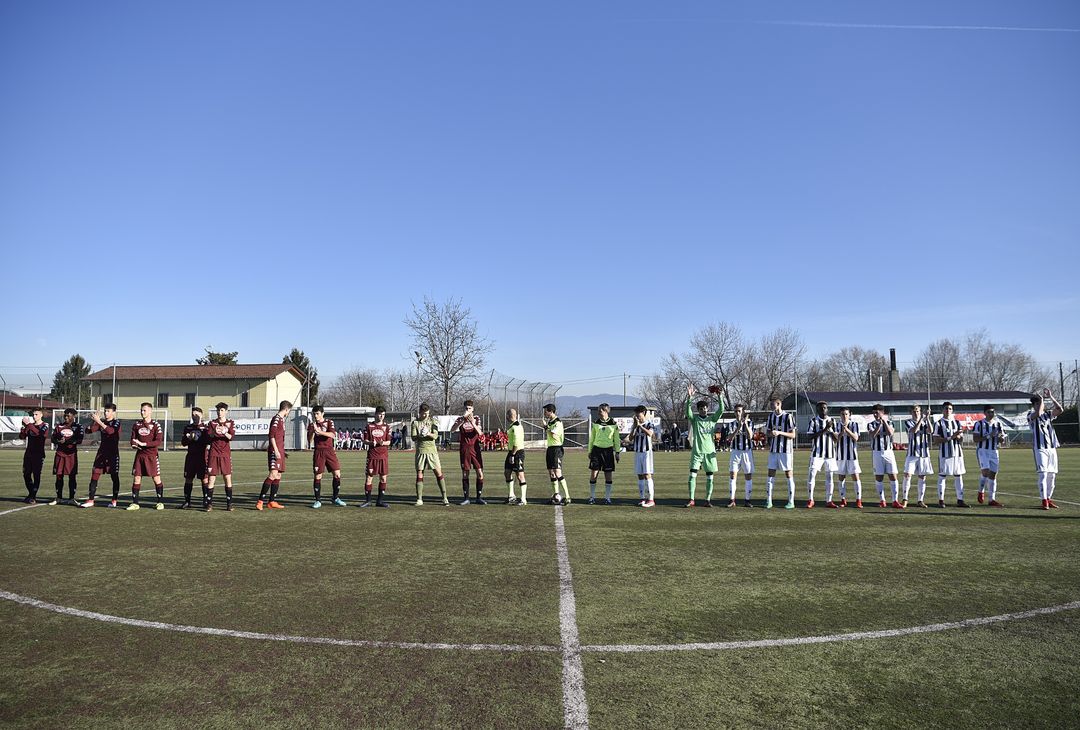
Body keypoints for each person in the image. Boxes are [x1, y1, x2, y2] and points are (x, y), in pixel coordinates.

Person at [1028, 389, 1062, 510]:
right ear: (1034, 405)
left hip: (1051, 448)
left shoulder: (1047, 415)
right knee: (1043, 474)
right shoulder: (1031, 415)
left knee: (1052, 476)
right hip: (1040, 448)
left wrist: (1051, 397)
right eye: (1037, 403)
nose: (1040, 405)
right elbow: (1037, 413)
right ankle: (1043, 500)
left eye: (1040, 403)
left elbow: (1060, 410)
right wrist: (1041, 400)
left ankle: (1048, 498)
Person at [129, 401, 166, 510]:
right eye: (141, 410)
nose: (142, 412)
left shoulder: (156, 425)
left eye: (144, 410)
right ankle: (135, 503)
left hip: (152, 456)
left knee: (156, 478)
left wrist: (144, 444)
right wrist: (134, 444)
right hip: (140, 456)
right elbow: (132, 439)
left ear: (150, 411)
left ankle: (160, 502)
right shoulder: (136, 424)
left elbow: (158, 441)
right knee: (136, 478)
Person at [83, 403, 121, 508]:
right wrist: (94, 420)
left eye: (108, 411)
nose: (106, 413)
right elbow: (88, 431)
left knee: (114, 476)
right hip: (101, 453)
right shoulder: (102, 422)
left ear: (114, 412)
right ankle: (91, 500)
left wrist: (99, 421)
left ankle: (114, 500)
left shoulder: (116, 422)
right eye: (105, 411)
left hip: (112, 454)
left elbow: (111, 431)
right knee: (95, 474)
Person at [308, 404, 346, 508]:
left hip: (329, 451)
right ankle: (318, 500)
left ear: (322, 413)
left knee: (337, 474)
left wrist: (320, 431)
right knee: (318, 475)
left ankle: (335, 497)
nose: (316, 416)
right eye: (314, 414)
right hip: (318, 451)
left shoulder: (329, 422)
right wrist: (312, 431)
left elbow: (332, 435)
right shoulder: (312, 425)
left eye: (317, 414)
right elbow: (309, 440)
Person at [257, 400, 292, 511]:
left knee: (278, 476)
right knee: (272, 474)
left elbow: (279, 438)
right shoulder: (276, 419)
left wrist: (282, 451)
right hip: (274, 451)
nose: (288, 413)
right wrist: (276, 450)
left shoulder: (281, 420)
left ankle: (272, 501)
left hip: (280, 451)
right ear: (286, 409)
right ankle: (260, 501)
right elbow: (271, 436)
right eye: (289, 410)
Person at [933, 401, 969, 508]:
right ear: (942, 410)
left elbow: (961, 438)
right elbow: (936, 440)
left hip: (957, 453)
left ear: (952, 410)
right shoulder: (938, 423)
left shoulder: (957, 422)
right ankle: (941, 500)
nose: (948, 410)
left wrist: (959, 437)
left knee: (958, 476)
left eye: (950, 409)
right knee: (942, 476)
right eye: (946, 409)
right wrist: (951, 437)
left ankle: (960, 500)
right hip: (945, 454)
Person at [412, 403, 449, 506]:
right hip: (421, 451)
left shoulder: (433, 421)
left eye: (427, 413)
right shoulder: (415, 423)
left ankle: (444, 497)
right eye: (424, 414)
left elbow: (436, 436)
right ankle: (419, 499)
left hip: (432, 451)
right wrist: (420, 434)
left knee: (438, 473)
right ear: (420, 413)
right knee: (420, 473)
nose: (426, 415)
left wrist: (428, 433)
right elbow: (413, 437)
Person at [452, 399, 486, 505]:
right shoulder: (460, 419)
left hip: (475, 449)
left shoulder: (476, 418)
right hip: (464, 449)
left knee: (480, 473)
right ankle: (466, 498)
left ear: (473, 409)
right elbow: (452, 430)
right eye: (466, 408)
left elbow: (480, 433)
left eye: (470, 408)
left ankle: (478, 497)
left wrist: (472, 423)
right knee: (465, 473)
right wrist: (462, 420)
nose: (468, 410)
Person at [765, 395, 797, 510]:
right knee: (770, 474)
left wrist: (780, 433)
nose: (771, 405)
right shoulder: (771, 416)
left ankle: (791, 501)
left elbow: (793, 435)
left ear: (778, 404)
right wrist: (771, 434)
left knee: (788, 475)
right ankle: (768, 501)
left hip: (786, 451)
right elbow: (768, 432)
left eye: (772, 403)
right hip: (774, 450)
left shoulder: (788, 416)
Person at [805, 401, 838, 509]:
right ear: (817, 410)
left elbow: (837, 438)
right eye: (820, 408)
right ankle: (811, 499)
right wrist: (824, 430)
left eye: (824, 408)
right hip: (817, 453)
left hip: (830, 454)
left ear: (827, 409)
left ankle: (829, 500)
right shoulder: (813, 421)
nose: (823, 410)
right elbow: (810, 437)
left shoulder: (833, 421)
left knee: (830, 476)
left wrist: (830, 430)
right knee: (812, 475)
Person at [901, 404, 935, 508]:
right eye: (915, 411)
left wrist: (928, 418)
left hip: (923, 454)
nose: (917, 413)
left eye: (918, 411)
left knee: (922, 477)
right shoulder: (908, 422)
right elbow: (914, 430)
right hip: (912, 453)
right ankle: (905, 499)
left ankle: (920, 500)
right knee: (907, 475)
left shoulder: (925, 422)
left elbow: (931, 431)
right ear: (911, 412)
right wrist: (921, 419)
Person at [204, 402, 235, 511]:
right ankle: (209, 504)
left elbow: (231, 437)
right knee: (211, 478)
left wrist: (224, 432)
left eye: (222, 410)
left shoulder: (230, 423)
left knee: (227, 478)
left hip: (225, 454)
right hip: (213, 453)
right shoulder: (212, 423)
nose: (219, 412)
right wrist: (216, 431)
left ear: (226, 411)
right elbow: (209, 436)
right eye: (218, 410)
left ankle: (229, 504)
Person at [972, 405, 1006, 507]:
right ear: (985, 413)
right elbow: (975, 439)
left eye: (993, 412)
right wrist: (989, 435)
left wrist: (1001, 438)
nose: (991, 414)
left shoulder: (998, 424)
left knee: (993, 474)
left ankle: (992, 499)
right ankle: (981, 491)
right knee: (985, 471)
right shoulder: (979, 424)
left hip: (994, 451)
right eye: (989, 412)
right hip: (983, 450)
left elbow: (1002, 439)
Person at [587, 403, 620, 505]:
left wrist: (617, 452)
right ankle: (592, 497)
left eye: (600, 410)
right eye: (598, 410)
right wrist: (589, 451)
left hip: (608, 452)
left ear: (606, 411)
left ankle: (607, 498)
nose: (598, 412)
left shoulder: (613, 424)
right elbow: (592, 438)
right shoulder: (596, 423)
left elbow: (616, 439)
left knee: (608, 475)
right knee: (594, 474)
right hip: (596, 451)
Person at [867, 404, 899, 508]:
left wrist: (884, 422)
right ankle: (882, 500)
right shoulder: (871, 424)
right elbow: (872, 435)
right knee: (879, 477)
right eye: (874, 413)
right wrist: (879, 425)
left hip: (888, 452)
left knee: (893, 475)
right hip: (877, 452)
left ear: (882, 413)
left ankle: (895, 500)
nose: (876, 415)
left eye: (878, 412)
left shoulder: (890, 422)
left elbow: (890, 433)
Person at [50, 407, 84, 505]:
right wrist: (58, 441)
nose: (66, 417)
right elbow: (53, 438)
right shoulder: (59, 426)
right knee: (59, 476)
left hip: (71, 454)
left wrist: (67, 441)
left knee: (72, 476)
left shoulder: (78, 426)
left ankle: (71, 498)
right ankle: (59, 498)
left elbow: (79, 440)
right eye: (65, 415)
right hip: (60, 454)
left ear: (73, 416)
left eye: (68, 415)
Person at [624, 405, 655, 507]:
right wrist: (634, 426)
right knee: (640, 475)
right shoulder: (636, 425)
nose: (637, 416)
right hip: (637, 452)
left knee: (647, 474)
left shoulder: (649, 424)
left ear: (644, 413)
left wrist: (640, 426)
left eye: (639, 414)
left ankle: (651, 499)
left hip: (646, 452)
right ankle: (642, 498)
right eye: (636, 414)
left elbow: (650, 434)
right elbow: (631, 438)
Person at [180, 406, 209, 510]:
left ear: (201, 415)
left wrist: (197, 438)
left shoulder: (206, 428)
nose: (194, 417)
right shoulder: (188, 427)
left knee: (204, 479)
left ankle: (206, 501)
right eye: (192, 415)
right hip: (191, 457)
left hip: (202, 457)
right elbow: (183, 443)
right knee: (188, 479)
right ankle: (187, 502)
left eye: (196, 415)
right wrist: (189, 438)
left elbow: (208, 441)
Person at [362, 406, 392, 507]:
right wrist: (371, 442)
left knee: (383, 479)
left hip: (383, 456)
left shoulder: (386, 427)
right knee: (369, 478)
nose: (381, 416)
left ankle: (380, 501)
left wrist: (383, 442)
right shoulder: (369, 426)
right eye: (379, 414)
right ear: (375, 414)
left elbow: (389, 441)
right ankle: (368, 501)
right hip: (372, 456)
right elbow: (364, 440)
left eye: (383, 414)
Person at [19, 408, 50, 503]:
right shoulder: (30, 425)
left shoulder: (45, 425)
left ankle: (33, 496)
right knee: (26, 474)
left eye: (36, 414)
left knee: (36, 475)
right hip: (28, 454)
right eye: (33, 414)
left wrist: (29, 425)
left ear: (41, 415)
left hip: (38, 454)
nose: (34, 416)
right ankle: (31, 493)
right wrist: (23, 428)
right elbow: (22, 437)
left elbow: (39, 434)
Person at [727, 404, 755, 507]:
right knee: (733, 474)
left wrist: (745, 425)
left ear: (742, 412)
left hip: (747, 452)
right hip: (735, 452)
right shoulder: (731, 424)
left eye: (739, 411)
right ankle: (732, 499)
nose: (737, 413)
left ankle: (747, 500)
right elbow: (730, 438)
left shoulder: (750, 423)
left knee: (748, 476)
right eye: (735, 411)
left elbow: (750, 436)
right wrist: (738, 427)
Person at [834, 408, 863, 508]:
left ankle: (858, 500)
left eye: (846, 414)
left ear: (850, 415)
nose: (844, 416)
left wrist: (847, 430)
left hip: (852, 456)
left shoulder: (854, 425)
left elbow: (856, 438)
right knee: (841, 477)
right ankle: (843, 499)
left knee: (855, 477)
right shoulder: (836, 425)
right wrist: (842, 432)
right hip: (840, 456)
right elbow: (835, 439)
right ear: (840, 415)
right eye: (842, 414)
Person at [543, 403, 570, 504]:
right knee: (551, 473)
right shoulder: (550, 422)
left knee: (558, 472)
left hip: (557, 449)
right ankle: (556, 495)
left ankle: (567, 496)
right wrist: (547, 427)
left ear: (551, 411)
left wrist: (546, 428)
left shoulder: (558, 422)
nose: (544, 413)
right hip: (550, 449)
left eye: (546, 411)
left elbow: (554, 435)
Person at [504, 408, 528, 504]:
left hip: (517, 453)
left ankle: (523, 499)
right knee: (507, 472)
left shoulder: (516, 426)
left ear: (508, 416)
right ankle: (511, 496)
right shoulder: (512, 426)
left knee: (520, 475)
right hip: (511, 452)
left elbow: (517, 443)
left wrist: (513, 455)